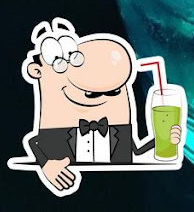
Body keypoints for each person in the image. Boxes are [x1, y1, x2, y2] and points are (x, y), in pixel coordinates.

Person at [24, 18, 182, 192]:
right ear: (36, 71)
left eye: (114, 92)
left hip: (122, 188)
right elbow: (35, 142)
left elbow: (136, 152)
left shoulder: (118, 131)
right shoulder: (57, 131)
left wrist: (163, 140)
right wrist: (47, 165)